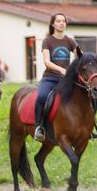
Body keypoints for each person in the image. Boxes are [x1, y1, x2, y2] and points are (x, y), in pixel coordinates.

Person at [35, 13, 79, 142]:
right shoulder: (47, 41)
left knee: (86, 95)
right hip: (50, 78)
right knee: (42, 96)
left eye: (64, 21)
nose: (62, 23)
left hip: (65, 80)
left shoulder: (70, 41)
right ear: (53, 24)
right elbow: (47, 62)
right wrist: (61, 69)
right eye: (59, 21)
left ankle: (91, 126)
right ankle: (39, 127)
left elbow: (80, 56)